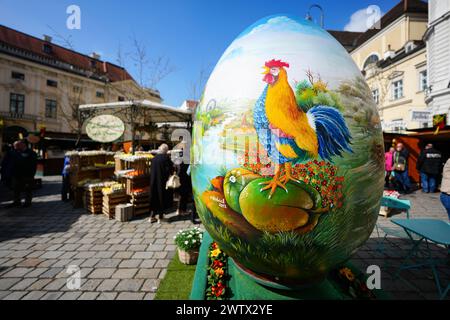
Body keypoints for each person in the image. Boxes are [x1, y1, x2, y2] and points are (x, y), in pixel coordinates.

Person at [149, 144, 173, 223]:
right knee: (161, 198)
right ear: (166, 151)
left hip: (153, 181)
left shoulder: (154, 158)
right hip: (162, 182)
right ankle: (160, 217)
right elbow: (170, 169)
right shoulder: (166, 158)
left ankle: (152, 217)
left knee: (154, 198)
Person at [10, 140, 37, 207]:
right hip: (17, 174)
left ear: (23, 144)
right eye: (15, 146)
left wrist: (31, 174)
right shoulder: (16, 152)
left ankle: (27, 203)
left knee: (27, 189)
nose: (16, 147)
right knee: (16, 189)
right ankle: (16, 202)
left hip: (27, 174)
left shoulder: (31, 153)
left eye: (18, 145)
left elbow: (33, 164)